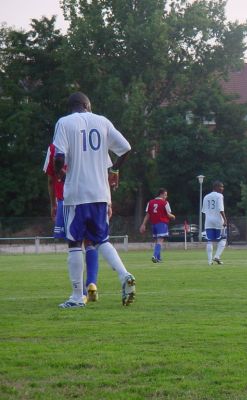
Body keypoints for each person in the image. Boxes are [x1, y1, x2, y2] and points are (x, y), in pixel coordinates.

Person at [52, 92, 136, 308]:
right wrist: (115, 170)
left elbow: (58, 156)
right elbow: (126, 148)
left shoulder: (64, 122)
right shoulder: (102, 121)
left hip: (76, 194)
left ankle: (76, 296)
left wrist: (60, 173)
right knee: (101, 240)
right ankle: (124, 276)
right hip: (100, 193)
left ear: (72, 107)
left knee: (74, 243)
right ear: (87, 105)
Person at [43, 143, 102, 302]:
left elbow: (50, 179)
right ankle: (92, 283)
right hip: (91, 198)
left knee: (74, 244)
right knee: (90, 242)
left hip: (66, 199)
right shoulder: (85, 143)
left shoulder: (54, 148)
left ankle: (80, 293)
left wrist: (53, 204)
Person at [139, 188, 176, 263]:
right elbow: (168, 214)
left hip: (154, 224)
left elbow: (147, 214)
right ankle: (154, 256)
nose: (166, 196)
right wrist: (173, 216)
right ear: (161, 194)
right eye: (165, 195)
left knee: (157, 241)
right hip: (162, 223)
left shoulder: (150, 202)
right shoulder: (165, 203)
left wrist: (143, 224)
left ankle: (158, 258)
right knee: (160, 240)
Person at [202, 180, 228, 265]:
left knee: (209, 240)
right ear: (216, 187)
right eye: (221, 187)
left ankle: (209, 261)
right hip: (218, 220)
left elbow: (204, 211)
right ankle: (217, 256)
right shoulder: (219, 196)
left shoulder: (206, 196)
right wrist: (225, 219)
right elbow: (221, 209)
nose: (222, 188)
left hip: (208, 221)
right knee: (223, 238)